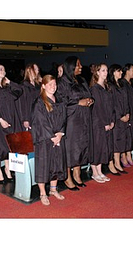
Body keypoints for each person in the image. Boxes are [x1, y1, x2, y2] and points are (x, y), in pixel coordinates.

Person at [56, 56, 94, 191]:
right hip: (71, 120)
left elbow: (87, 94)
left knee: (82, 146)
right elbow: (60, 103)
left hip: (83, 118)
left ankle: (77, 173)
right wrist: (79, 103)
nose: (81, 66)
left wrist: (90, 100)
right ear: (71, 66)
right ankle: (67, 177)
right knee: (71, 148)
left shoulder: (81, 80)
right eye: (78, 65)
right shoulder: (62, 83)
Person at [31, 75, 67, 206]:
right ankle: (42, 193)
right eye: (50, 84)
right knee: (44, 166)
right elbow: (40, 122)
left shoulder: (59, 100)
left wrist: (60, 134)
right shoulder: (39, 102)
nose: (53, 86)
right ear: (43, 86)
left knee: (56, 164)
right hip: (44, 139)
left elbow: (64, 119)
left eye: (55, 84)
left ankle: (53, 190)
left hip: (57, 138)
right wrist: (52, 136)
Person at [89, 63, 116, 182]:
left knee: (103, 147)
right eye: (103, 70)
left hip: (107, 121)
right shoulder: (94, 89)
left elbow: (111, 106)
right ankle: (94, 172)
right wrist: (105, 122)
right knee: (97, 147)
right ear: (97, 72)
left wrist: (112, 120)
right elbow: (98, 108)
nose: (105, 73)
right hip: (98, 122)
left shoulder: (107, 87)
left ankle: (99, 171)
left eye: (106, 70)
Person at [108, 64, 131, 174]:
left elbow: (126, 101)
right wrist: (120, 115)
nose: (121, 73)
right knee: (116, 141)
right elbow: (113, 104)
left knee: (122, 140)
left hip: (124, 116)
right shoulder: (111, 86)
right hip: (117, 118)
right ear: (113, 72)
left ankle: (119, 162)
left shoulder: (121, 85)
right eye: (119, 71)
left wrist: (127, 113)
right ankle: (116, 163)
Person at [120, 63, 133, 167]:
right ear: (127, 71)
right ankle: (123, 156)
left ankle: (129, 155)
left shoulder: (131, 83)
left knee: (131, 135)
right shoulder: (122, 83)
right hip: (125, 112)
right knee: (125, 136)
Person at [18, 63, 41, 131]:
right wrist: (25, 119)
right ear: (29, 70)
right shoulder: (24, 86)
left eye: (38, 69)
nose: (37, 71)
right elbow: (22, 103)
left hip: (38, 114)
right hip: (29, 115)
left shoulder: (38, 85)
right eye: (35, 69)